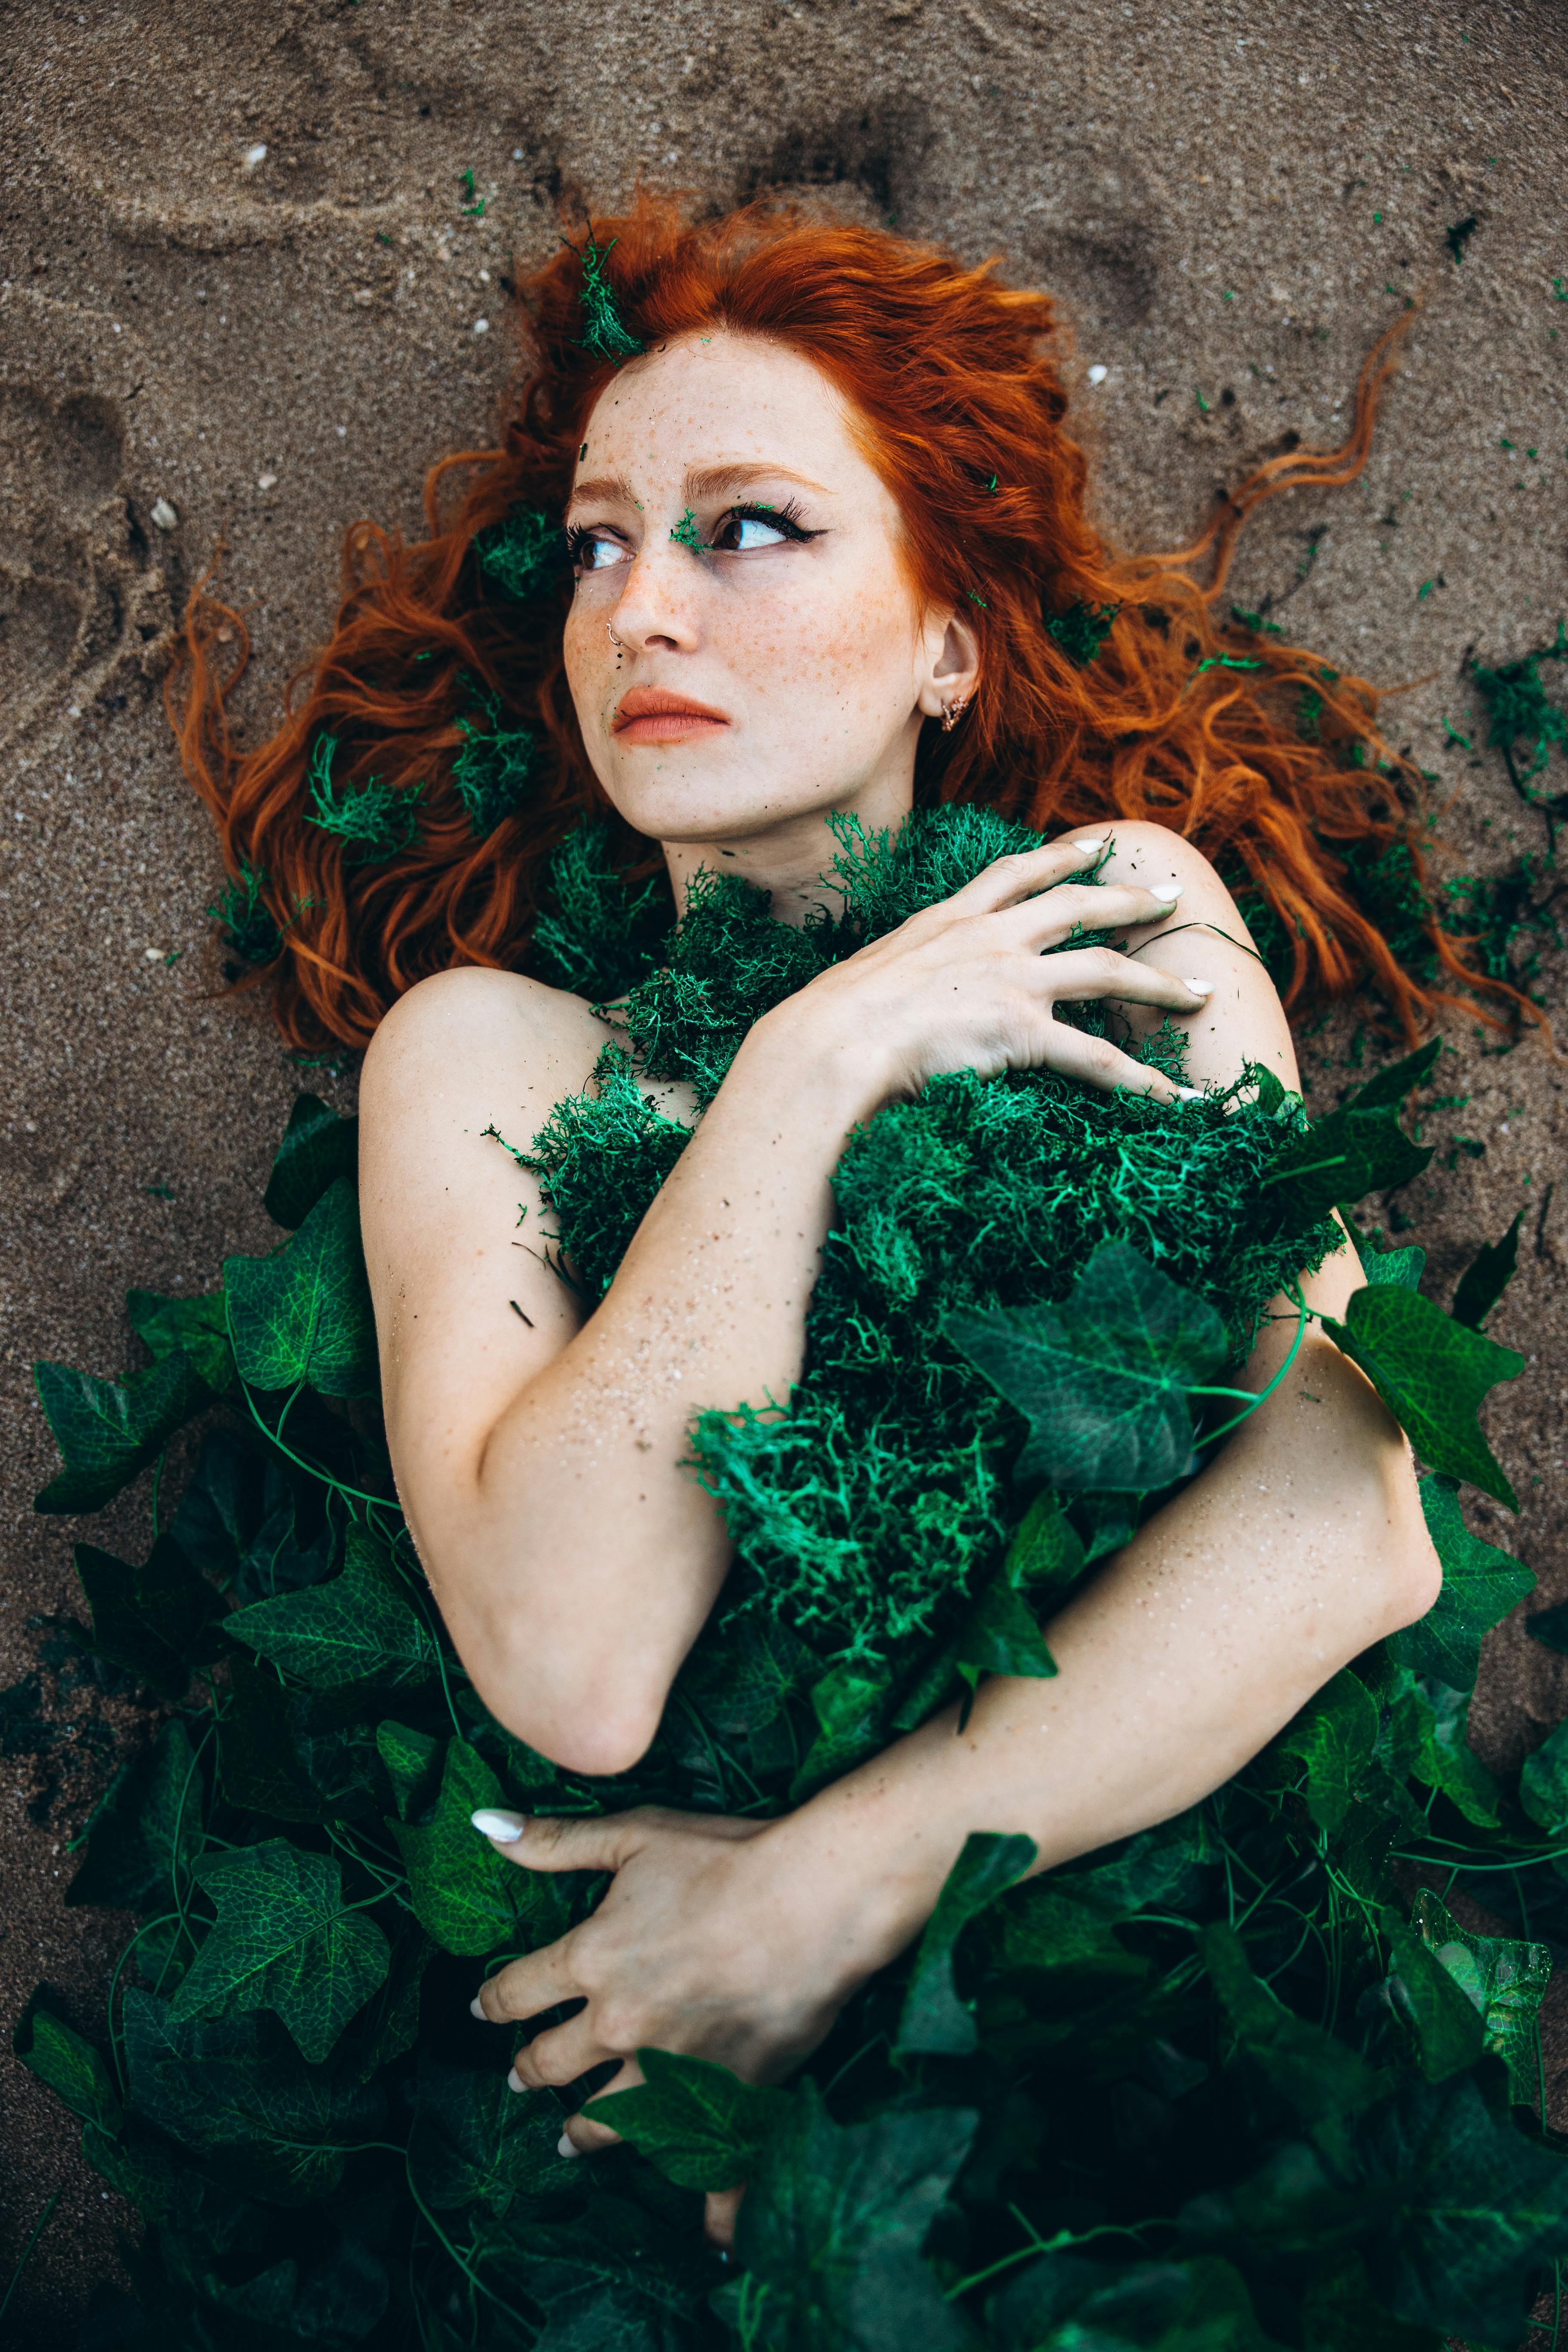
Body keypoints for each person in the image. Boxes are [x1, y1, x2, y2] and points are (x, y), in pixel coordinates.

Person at [175, 199, 1463, 2239]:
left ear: (947, 638)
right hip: (599, 2167)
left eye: (747, 526)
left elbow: (1351, 1521)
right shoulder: (498, 1056)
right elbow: (577, 1661)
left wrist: (818, 1895)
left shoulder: (1111, 921)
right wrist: (802, 1071)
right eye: (601, 543)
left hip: (1146, 2100)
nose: (640, 614)